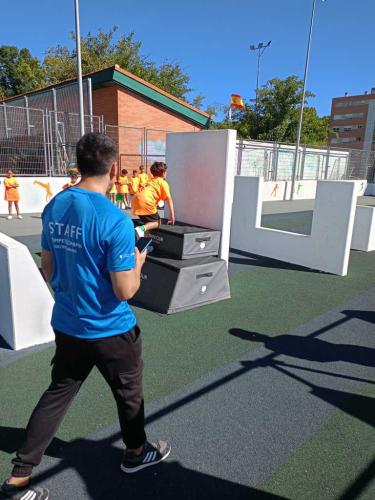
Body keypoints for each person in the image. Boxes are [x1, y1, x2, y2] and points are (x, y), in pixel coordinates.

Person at [0, 133, 171, 500]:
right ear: (113, 169)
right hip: (110, 329)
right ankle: (136, 453)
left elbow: (47, 267)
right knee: (129, 394)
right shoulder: (115, 220)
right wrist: (138, 263)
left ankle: (19, 477)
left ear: (78, 165)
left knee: (58, 392)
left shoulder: (56, 205)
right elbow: (125, 291)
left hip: (67, 324)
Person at [132, 161, 175, 238]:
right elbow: (169, 198)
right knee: (157, 222)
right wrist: (172, 215)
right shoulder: (163, 182)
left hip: (136, 200)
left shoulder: (150, 181)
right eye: (166, 172)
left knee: (148, 224)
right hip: (146, 201)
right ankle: (140, 229)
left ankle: (145, 244)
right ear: (163, 173)